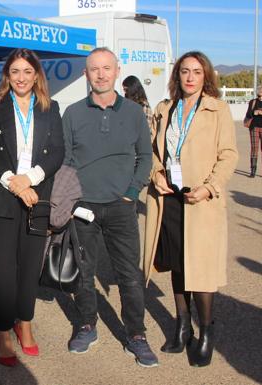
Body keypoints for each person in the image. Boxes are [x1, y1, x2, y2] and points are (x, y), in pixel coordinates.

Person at [62, 47, 158, 367]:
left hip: (121, 207)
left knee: (129, 274)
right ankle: (87, 325)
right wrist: (71, 198)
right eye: (94, 69)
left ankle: (136, 334)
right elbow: (65, 160)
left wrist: (132, 191)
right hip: (83, 207)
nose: (100, 74)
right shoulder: (73, 113)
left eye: (106, 68)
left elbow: (145, 156)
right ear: (86, 74)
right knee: (83, 273)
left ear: (117, 71)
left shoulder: (133, 113)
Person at [143, 51, 238, 367]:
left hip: (201, 200)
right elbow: (154, 151)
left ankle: (206, 331)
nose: (190, 77)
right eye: (185, 71)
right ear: (177, 75)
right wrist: (155, 173)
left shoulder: (217, 110)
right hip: (169, 197)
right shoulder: (164, 108)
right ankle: (182, 325)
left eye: (196, 72)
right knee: (177, 263)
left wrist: (210, 187)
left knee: (201, 269)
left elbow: (228, 155)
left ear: (206, 75)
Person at [0, 48, 64, 366]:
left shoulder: (50, 107)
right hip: (3, 196)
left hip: (36, 196)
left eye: (27, 71)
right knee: (2, 269)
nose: (21, 78)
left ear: (36, 75)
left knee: (30, 266)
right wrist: (12, 182)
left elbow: (57, 151)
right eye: (15, 71)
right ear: (7, 75)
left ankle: (24, 323)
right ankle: (2, 329)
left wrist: (29, 180)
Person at [243, 85, 262, 177]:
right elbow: (248, 114)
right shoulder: (253, 102)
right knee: (254, 148)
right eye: (259, 91)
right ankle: (253, 170)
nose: (260, 92)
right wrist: (254, 113)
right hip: (254, 127)